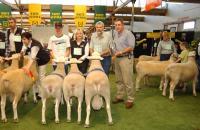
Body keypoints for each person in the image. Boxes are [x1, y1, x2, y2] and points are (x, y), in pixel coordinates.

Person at [111, 18, 135, 109]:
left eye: (119, 25)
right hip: (117, 59)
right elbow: (115, 46)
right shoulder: (116, 34)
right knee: (119, 79)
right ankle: (120, 96)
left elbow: (131, 47)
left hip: (126, 58)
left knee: (127, 80)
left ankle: (130, 99)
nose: (117, 26)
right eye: (116, 25)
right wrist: (114, 53)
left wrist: (120, 52)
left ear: (123, 25)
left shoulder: (128, 34)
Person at [21, 32, 50, 98]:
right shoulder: (26, 43)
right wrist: (21, 53)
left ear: (29, 39)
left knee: (41, 77)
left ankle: (42, 93)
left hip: (43, 60)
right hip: (36, 60)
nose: (23, 41)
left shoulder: (35, 46)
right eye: (22, 39)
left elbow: (32, 57)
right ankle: (37, 91)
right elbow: (23, 49)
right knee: (35, 76)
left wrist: (27, 67)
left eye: (24, 39)